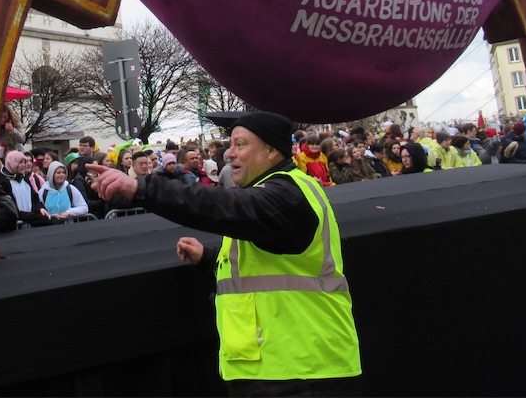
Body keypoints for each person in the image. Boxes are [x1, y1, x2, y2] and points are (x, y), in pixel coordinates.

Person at [88, 111, 361, 394]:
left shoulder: (285, 195)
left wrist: (140, 187)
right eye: (229, 145)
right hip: (281, 369)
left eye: (240, 144)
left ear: (271, 151)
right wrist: (208, 257)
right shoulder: (280, 192)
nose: (229, 154)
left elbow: (219, 205)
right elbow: (270, 259)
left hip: (301, 372)